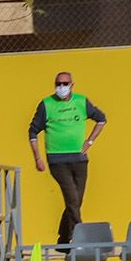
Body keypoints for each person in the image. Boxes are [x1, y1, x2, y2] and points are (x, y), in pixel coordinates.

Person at [29, 70, 107, 246]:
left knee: (77, 200)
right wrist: (37, 158)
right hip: (57, 160)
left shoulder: (81, 101)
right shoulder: (47, 104)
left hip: (79, 159)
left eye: (65, 84)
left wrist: (90, 141)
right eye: (58, 84)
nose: (61, 87)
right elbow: (33, 131)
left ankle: (63, 237)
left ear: (72, 85)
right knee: (72, 199)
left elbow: (101, 119)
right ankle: (80, 238)